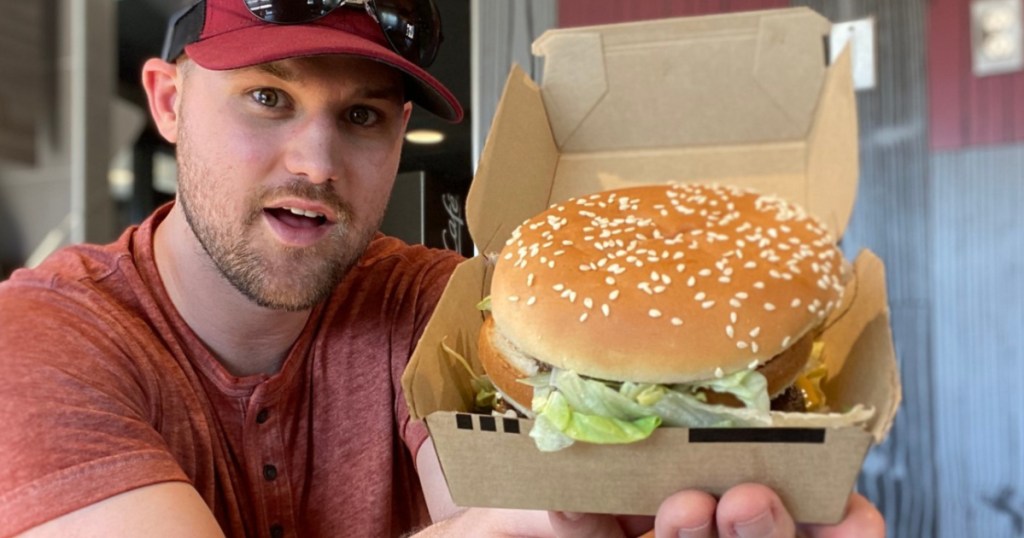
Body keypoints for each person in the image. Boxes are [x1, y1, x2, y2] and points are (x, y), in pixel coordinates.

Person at [0, 1, 884, 537]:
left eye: (362, 117)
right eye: (268, 98)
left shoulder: (437, 303)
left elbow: (488, 507)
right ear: (168, 100)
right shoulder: (41, 337)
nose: (315, 161)